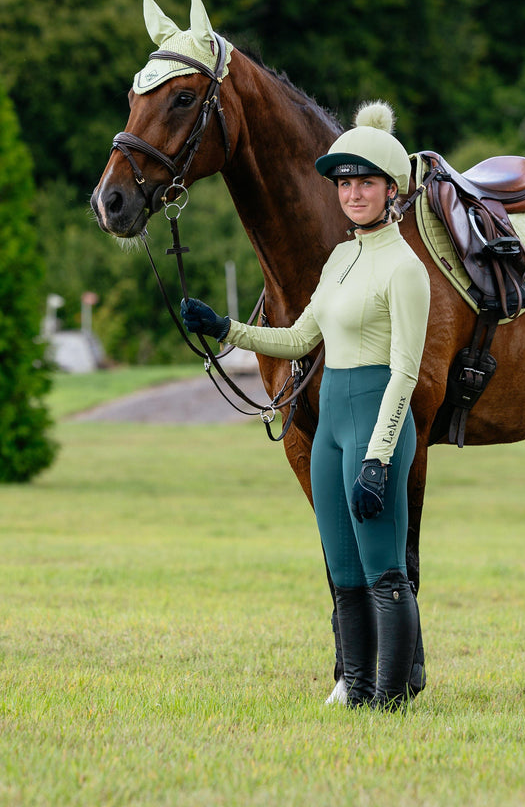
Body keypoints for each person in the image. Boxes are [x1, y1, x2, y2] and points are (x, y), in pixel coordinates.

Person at [181, 101, 431, 709]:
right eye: (345, 183)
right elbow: (298, 339)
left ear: (391, 190)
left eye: (365, 182)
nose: (352, 193)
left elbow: (405, 371)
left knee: (384, 571)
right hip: (330, 432)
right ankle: (356, 688)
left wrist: (378, 456)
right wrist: (226, 329)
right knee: (344, 573)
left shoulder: (405, 268)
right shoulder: (341, 259)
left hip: (375, 420)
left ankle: (392, 698)